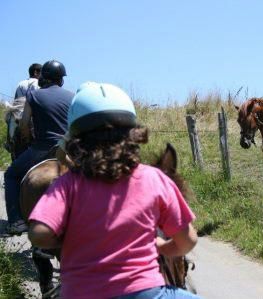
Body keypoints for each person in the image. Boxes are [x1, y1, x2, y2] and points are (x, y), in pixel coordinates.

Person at [28, 82, 200, 299]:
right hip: (144, 292)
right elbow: (188, 240)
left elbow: (38, 234)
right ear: (133, 135)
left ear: (76, 140)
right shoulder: (154, 178)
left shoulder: (67, 184)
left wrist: (75, 239)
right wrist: (164, 247)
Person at [3, 60, 74, 235]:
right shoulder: (72, 96)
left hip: (42, 148)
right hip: (68, 149)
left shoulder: (33, 96)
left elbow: (25, 124)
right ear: (61, 79)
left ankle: (16, 221)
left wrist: (27, 137)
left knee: (10, 175)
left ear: (43, 78)